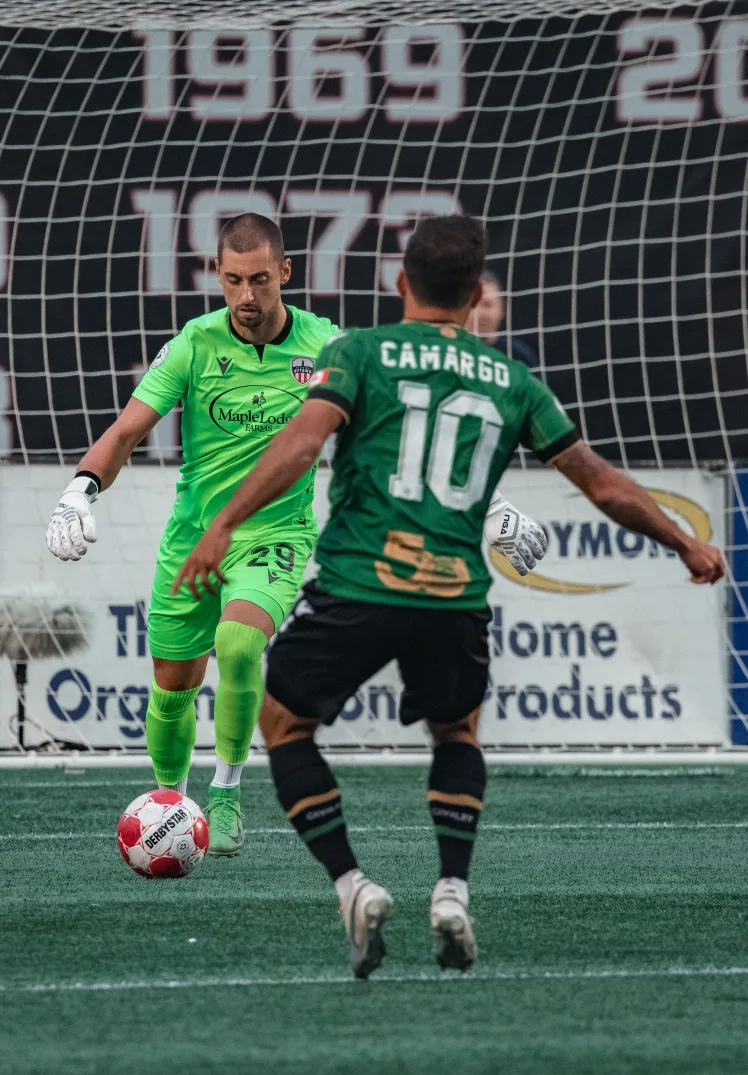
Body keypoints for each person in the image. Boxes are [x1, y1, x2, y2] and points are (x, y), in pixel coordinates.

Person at [173, 214, 725, 976]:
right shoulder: (514, 380)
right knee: (457, 734)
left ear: (402, 284)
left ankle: (352, 883)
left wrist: (223, 523)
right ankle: (453, 891)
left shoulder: (356, 353)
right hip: (452, 597)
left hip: (359, 586)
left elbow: (300, 444)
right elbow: (603, 482)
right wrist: (686, 542)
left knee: (284, 723)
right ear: (476, 296)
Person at [44, 213, 546, 857]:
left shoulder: (326, 346)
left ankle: (225, 790)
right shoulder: (194, 345)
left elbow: (396, 431)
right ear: (217, 277)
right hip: (193, 537)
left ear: (285, 271)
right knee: (171, 686)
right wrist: (78, 489)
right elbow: (124, 432)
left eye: (259, 279)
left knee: (238, 644)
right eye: (232, 280)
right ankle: (170, 801)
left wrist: (492, 506)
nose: (246, 296)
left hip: (276, 536)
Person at [468, 269, 539, 368]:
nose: (479, 312)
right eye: (473, 304)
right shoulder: (445, 351)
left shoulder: (518, 356)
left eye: (487, 304)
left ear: (503, 310)